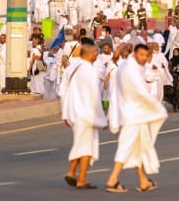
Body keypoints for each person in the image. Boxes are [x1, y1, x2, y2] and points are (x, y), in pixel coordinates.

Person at [104, 43, 166, 193]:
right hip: (133, 114)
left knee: (139, 148)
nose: (144, 58)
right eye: (141, 55)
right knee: (126, 146)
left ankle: (143, 181)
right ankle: (112, 180)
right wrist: (157, 108)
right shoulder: (130, 70)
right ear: (135, 54)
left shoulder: (128, 67)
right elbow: (140, 93)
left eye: (146, 55)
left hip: (135, 113)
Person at [62, 40, 106, 189]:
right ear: (89, 54)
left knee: (81, 143)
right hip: (86, 113)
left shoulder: (72, 67)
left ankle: (72, 172)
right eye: (95, 53)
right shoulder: (88, 69)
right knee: (87, 146)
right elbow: (93, 96)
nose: (97, 55)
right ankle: (81, 179)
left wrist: (65, 113)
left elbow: (63, 90)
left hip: (74, 111)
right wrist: (101, 119)